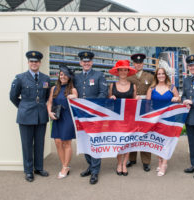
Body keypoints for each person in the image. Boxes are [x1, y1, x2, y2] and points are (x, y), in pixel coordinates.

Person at [9, 50, 50, 182]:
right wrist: (23, 107)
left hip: (41, 116)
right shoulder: (20, 78)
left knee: (39, 143)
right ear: (28, 62)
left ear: (40, 63)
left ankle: (38, 167)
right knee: (27, 144)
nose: (34, 63)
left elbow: (48, 96)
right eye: (32, 61)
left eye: (36, 61)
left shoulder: (46, 78)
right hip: (25, 116)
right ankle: (28, 171)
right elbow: (13, 96)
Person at [73, 51, 108, 184]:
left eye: (88, 61)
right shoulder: (76, 77)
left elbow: (103, 93)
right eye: (84, 61)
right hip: (80, 116)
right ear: (80, 63)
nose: (86, 63)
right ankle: (90, 165)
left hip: (94, 115)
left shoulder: (99, 75)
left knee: (94, 142)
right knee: (84, 141)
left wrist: (90, 108)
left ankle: (95, 171)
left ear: (92, 62)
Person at [146, 67, 181, 176]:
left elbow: (178, 99)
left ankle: (164, 164)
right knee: (158, 142)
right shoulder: (151, 89)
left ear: (166, 75)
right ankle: (160, 161)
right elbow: (147, 105)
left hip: (169, 119)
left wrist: (177, 98)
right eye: (159, 74)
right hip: (156, 119)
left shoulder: (171, 87)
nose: (161, 76)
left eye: (163, 74)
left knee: (167, 142)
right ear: (156, 76)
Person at [47, 64, 78, 179]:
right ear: (58, 76)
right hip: (57, 117)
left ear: (69, 77)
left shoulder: (72, 89)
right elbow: (50, 102)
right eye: (61, 74)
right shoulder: (54, 88)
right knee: (58, 142)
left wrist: (74, 97)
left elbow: (77, 100)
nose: (63, 77)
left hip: (68, 118)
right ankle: (65, 165)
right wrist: (49, 112)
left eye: (65, 75)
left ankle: (65, 167)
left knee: (66, 143)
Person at [108, 60, 137, 176]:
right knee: (118, 142)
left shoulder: (133, 86)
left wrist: (138, 99)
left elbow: (135, 103)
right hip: (116, 119)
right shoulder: (112, 86)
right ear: (117, 71)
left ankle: (125, 164)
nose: (123, 72)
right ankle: (119, 163)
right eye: (121, 70)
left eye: (125, 70)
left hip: (129, 118)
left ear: (128, 71)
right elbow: (108, 102)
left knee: (127, 143)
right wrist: (111, 98)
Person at [127, 53, 154, 172]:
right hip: (131, 109)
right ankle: (132, 159)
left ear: (143, 63)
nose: (138, 64)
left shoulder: (150, 76)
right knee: (132, 133)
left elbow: (154, 90)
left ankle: (146, 161)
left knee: (145, 134)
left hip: (145, 108)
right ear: (133, 64)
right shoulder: (128, 76)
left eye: (140, 63)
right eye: (136, 63)